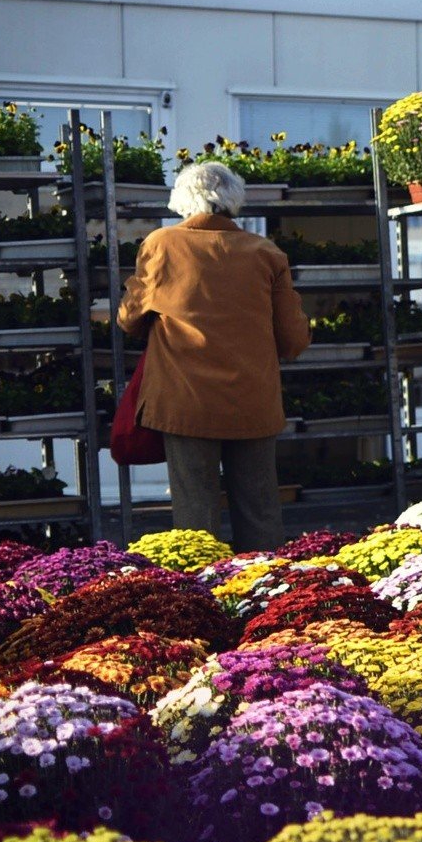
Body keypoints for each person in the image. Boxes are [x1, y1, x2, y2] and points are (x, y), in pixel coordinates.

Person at [118, 160, 309, 552]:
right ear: (234, 200)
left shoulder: (162, 244)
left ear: (183, 199)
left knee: (195, 520)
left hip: (185, 402)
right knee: (259, 514)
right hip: (252, 404)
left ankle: (203, 602)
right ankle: (267, 599)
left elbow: (129, 319)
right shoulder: (267, 253)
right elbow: (292, 339)